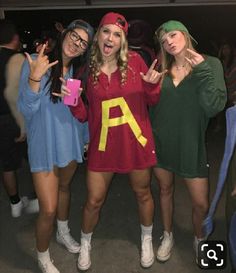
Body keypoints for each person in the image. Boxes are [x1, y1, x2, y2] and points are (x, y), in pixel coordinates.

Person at [69, 12, 162, 271]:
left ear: (123, 40)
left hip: (137, 142)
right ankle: (85, 243)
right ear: (98, 35)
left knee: (143, 193)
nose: (110, 38)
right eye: (106, 31)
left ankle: (146, 239)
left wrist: (153, 87)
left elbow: (152, 100)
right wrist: (73, 101)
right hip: (103, 146)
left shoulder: (137, 61)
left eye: (117, 34)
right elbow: (84, 115)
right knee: (93, 200)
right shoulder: (84, 71)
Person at [18, 19, 94, 273]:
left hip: (70, 143)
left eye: (83, 42)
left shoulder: (75, 74)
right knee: (48, 209)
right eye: (75, 36)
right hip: (44, 146)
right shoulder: (38, 61)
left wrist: (85, 139)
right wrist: (33, 78)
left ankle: (62, 232)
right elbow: (27, 110)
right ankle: (42, 256)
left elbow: (77, 113)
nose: (77, 43)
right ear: (64, 33)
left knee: (64, 189)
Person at [149, 20, 227, 263]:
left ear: (185, 35)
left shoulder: (210, 63)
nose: (169, 42)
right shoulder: (161, 69)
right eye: (164, 40)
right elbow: (152, 109)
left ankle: (199, 238)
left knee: (201, 203)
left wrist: (202, 70)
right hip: (162, 143)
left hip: (192, 145)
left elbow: (214, 106)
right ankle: (168, 234)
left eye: (172, 35)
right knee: (165, 190)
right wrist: (148, 89)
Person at [0, 19, 38, 217]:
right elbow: (15, 93)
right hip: (15, 118)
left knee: (7, 164)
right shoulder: (18, 60)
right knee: (33, 158)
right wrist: (23, 126)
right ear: (15, 39)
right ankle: (35, 198)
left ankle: (15, 204)